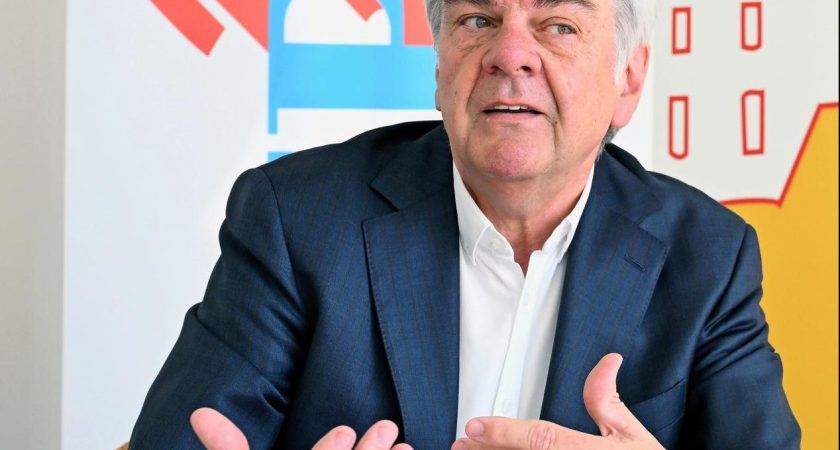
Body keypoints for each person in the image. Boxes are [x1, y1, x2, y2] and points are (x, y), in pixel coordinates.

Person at [129, 0, 801, 448]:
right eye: (478, 20)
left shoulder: (710, 257)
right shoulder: (295, 217)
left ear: (628, 77)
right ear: (439, 65)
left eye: (558, 26)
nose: (510, 54)